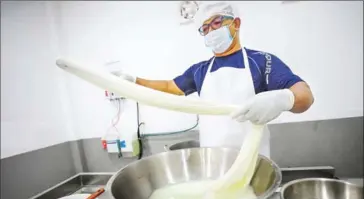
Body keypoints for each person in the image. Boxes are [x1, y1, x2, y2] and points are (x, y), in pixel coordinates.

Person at [111, 2, 314, 158]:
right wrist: (134, 81)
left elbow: (305, 95)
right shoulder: (200, 70)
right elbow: (168, 87)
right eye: (205, 28)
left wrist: (283, 99)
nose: (211, 31)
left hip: (253, 164)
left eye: (216, 23)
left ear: (236, 24)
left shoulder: (260, 61)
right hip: (213, 166)